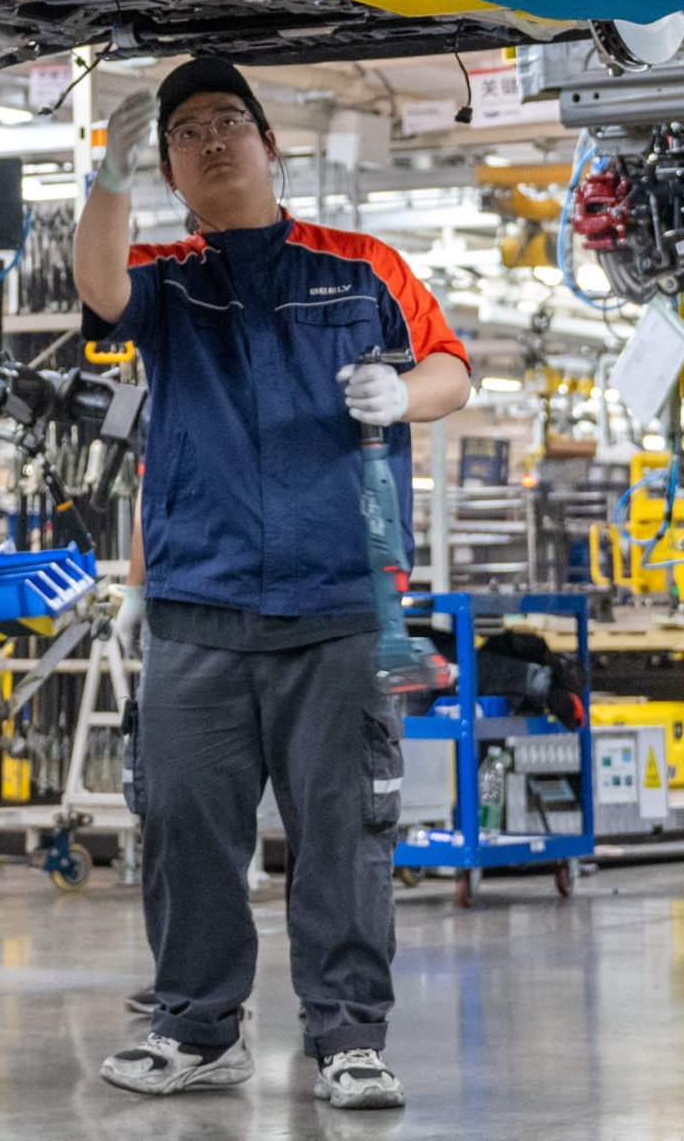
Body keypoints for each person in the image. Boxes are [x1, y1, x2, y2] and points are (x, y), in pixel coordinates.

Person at [76, 55, 471, 1114]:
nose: (211, 139)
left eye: (228, 120)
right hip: (199, 608)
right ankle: (197, 1028)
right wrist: (105, 178)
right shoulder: (169, 277)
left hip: (340, 602)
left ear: (270, 142)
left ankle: (349, 1037)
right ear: (169, 166)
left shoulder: (362, 264)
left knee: (342, 832)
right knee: (188, 829)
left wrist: (405, 390)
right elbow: (100, 289)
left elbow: (453, 365)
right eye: (186, 131)